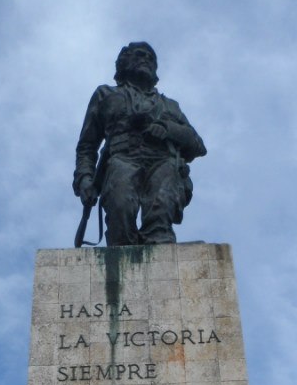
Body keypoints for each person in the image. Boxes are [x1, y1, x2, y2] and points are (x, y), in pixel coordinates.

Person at [73, 41, 206, 246]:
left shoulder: (170, 105)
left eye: (151, 58)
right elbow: (87, 146)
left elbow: (197, 145)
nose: (146, 59)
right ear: (124, 63)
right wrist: (85, 179)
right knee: (120, 213)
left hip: (163, 162)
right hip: (122, 159)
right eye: (140, 55)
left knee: (160, 227)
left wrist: (167, 129)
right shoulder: (106, 95)